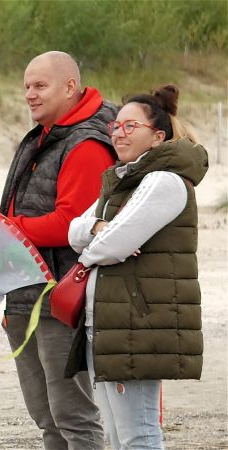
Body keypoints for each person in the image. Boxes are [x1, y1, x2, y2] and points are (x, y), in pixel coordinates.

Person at [67, 85, 208, 449]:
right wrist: (99, 231)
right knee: (117, 436)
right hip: (109, 321)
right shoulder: (124, 179)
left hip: (136, 322)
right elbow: (74, 230)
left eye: (130, 126)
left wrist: (94, 246)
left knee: (138, 435)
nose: (119, 133)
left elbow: (113, 246)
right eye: (116, 126)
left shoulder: (163, 180)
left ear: (157, 136)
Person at [0, 51, 117, 449]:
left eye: (39, 86)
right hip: (26, 293)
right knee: (47, 416)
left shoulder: (86, 143)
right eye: (26, 86)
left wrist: (5, 230)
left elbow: (73, 224)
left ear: (70, 87)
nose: (29, 94)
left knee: (72, 417)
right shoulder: (46, 135)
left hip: (61, 299)